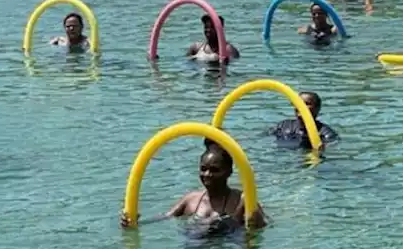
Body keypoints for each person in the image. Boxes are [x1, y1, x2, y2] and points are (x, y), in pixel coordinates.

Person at [120, 142, 266, 231]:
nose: (207, 174)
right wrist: (137, 223)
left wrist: (258, 222)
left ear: (229, 172)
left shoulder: (242, 200)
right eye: (203, 169)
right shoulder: (191, 199)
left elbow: (266, 225)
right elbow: (165, 217)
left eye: (214, 170)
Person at [268, 91, 339, 148]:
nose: (301, 106)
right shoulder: (283, 125)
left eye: (306, 103)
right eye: (299, 102)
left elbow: (331, 145)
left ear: (317, 108)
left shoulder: (326, 133)